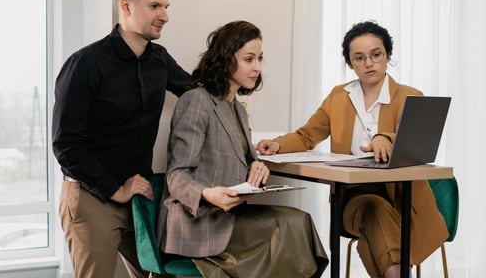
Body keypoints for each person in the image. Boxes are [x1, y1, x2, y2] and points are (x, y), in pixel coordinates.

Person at [257, 21, 448, 278]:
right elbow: (306, 135)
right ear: (350, 63)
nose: (369, 62)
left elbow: (417, 142)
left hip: (402, 200)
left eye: (376, 54)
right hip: (352, 199)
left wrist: (386, 138)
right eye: (359, 58)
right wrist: (279, 144)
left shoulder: (410, 95)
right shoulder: (339, 96)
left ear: (388, 56)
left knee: (377, 227)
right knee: (373, 209)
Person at [157, 20, 329, 277]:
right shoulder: (196, 101)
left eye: (260, 59)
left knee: (298, 221)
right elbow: (176, 175)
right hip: (198, 222)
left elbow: (242, 158)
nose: (257, 67)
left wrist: (257, 166)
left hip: (229, 216)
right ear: (226, 59)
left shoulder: (237, 108)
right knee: (289, 227)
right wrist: (207, 193)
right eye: (249, 59)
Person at [52, 0, 190, 278]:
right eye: (155, 6)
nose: (164, 16)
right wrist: (115, 189)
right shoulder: (85, 64)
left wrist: (240, 72)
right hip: (92, 197)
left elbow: (198, 91)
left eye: (166, 7)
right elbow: (65, 144)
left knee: (164, 273)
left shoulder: (160, 59)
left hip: (140, 195)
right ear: (126, 6)